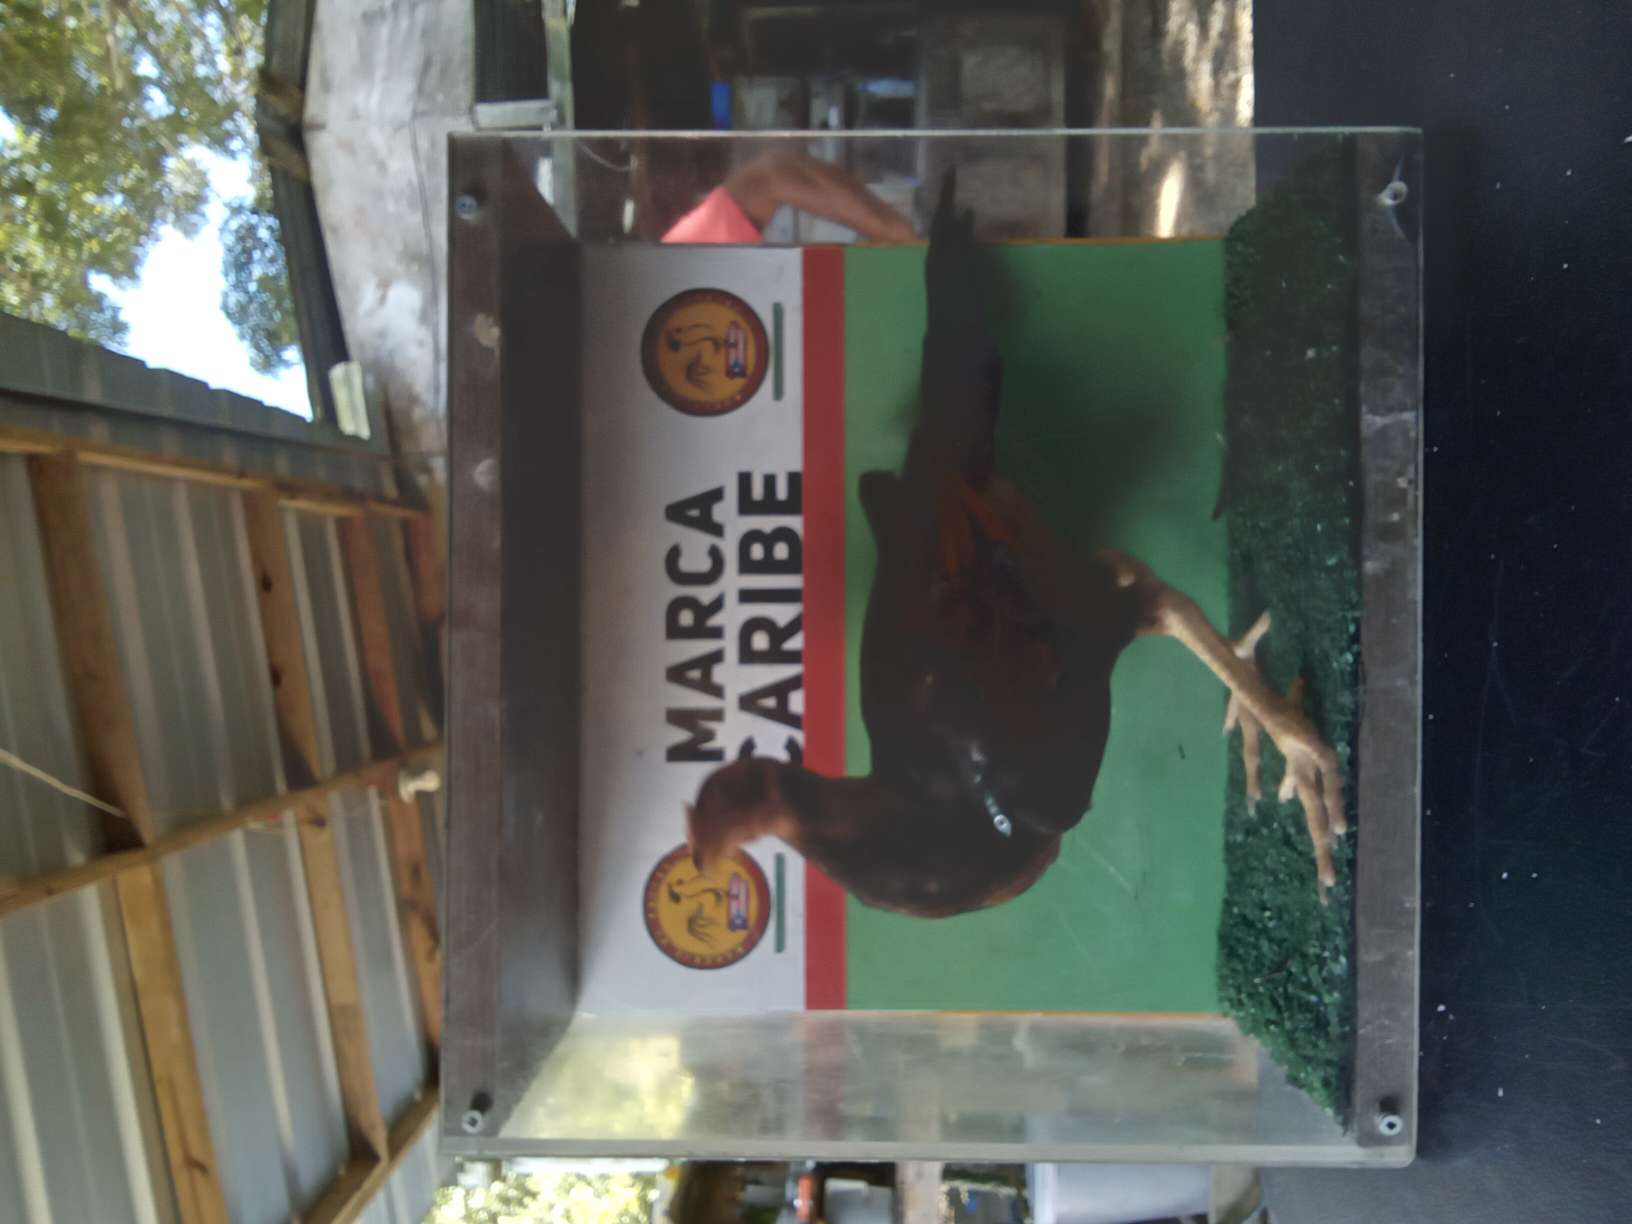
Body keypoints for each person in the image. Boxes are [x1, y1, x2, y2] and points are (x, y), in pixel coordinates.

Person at [662, 150, 918, 244]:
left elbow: (772, 174)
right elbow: (771, 175)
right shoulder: (671, 261)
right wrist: (894, 230)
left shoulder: (673, 257)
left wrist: (893, 229)